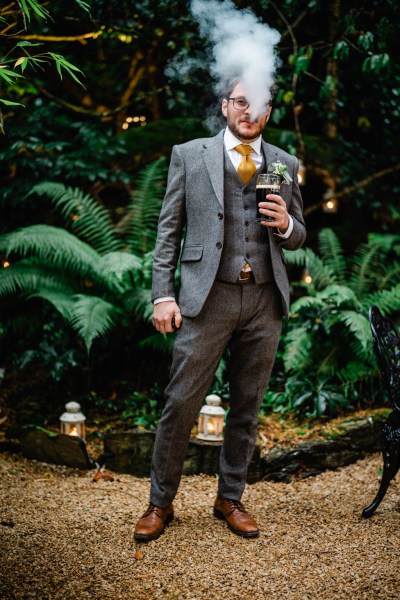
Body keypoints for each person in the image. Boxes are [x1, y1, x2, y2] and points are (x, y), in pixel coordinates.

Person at [134, 79, 306, 541]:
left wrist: (288, 223)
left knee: (247, 406)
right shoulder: (190, 154)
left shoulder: (284, 164)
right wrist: (162, 295)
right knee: (180, 403)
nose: (249, 111)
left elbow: (300, 232)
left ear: (269, 111)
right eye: (240, 102)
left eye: (259, 104)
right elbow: (168, 230)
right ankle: (160, 503)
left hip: (264, 299)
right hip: (206, 298)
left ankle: (230, 497)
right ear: (225, 106)